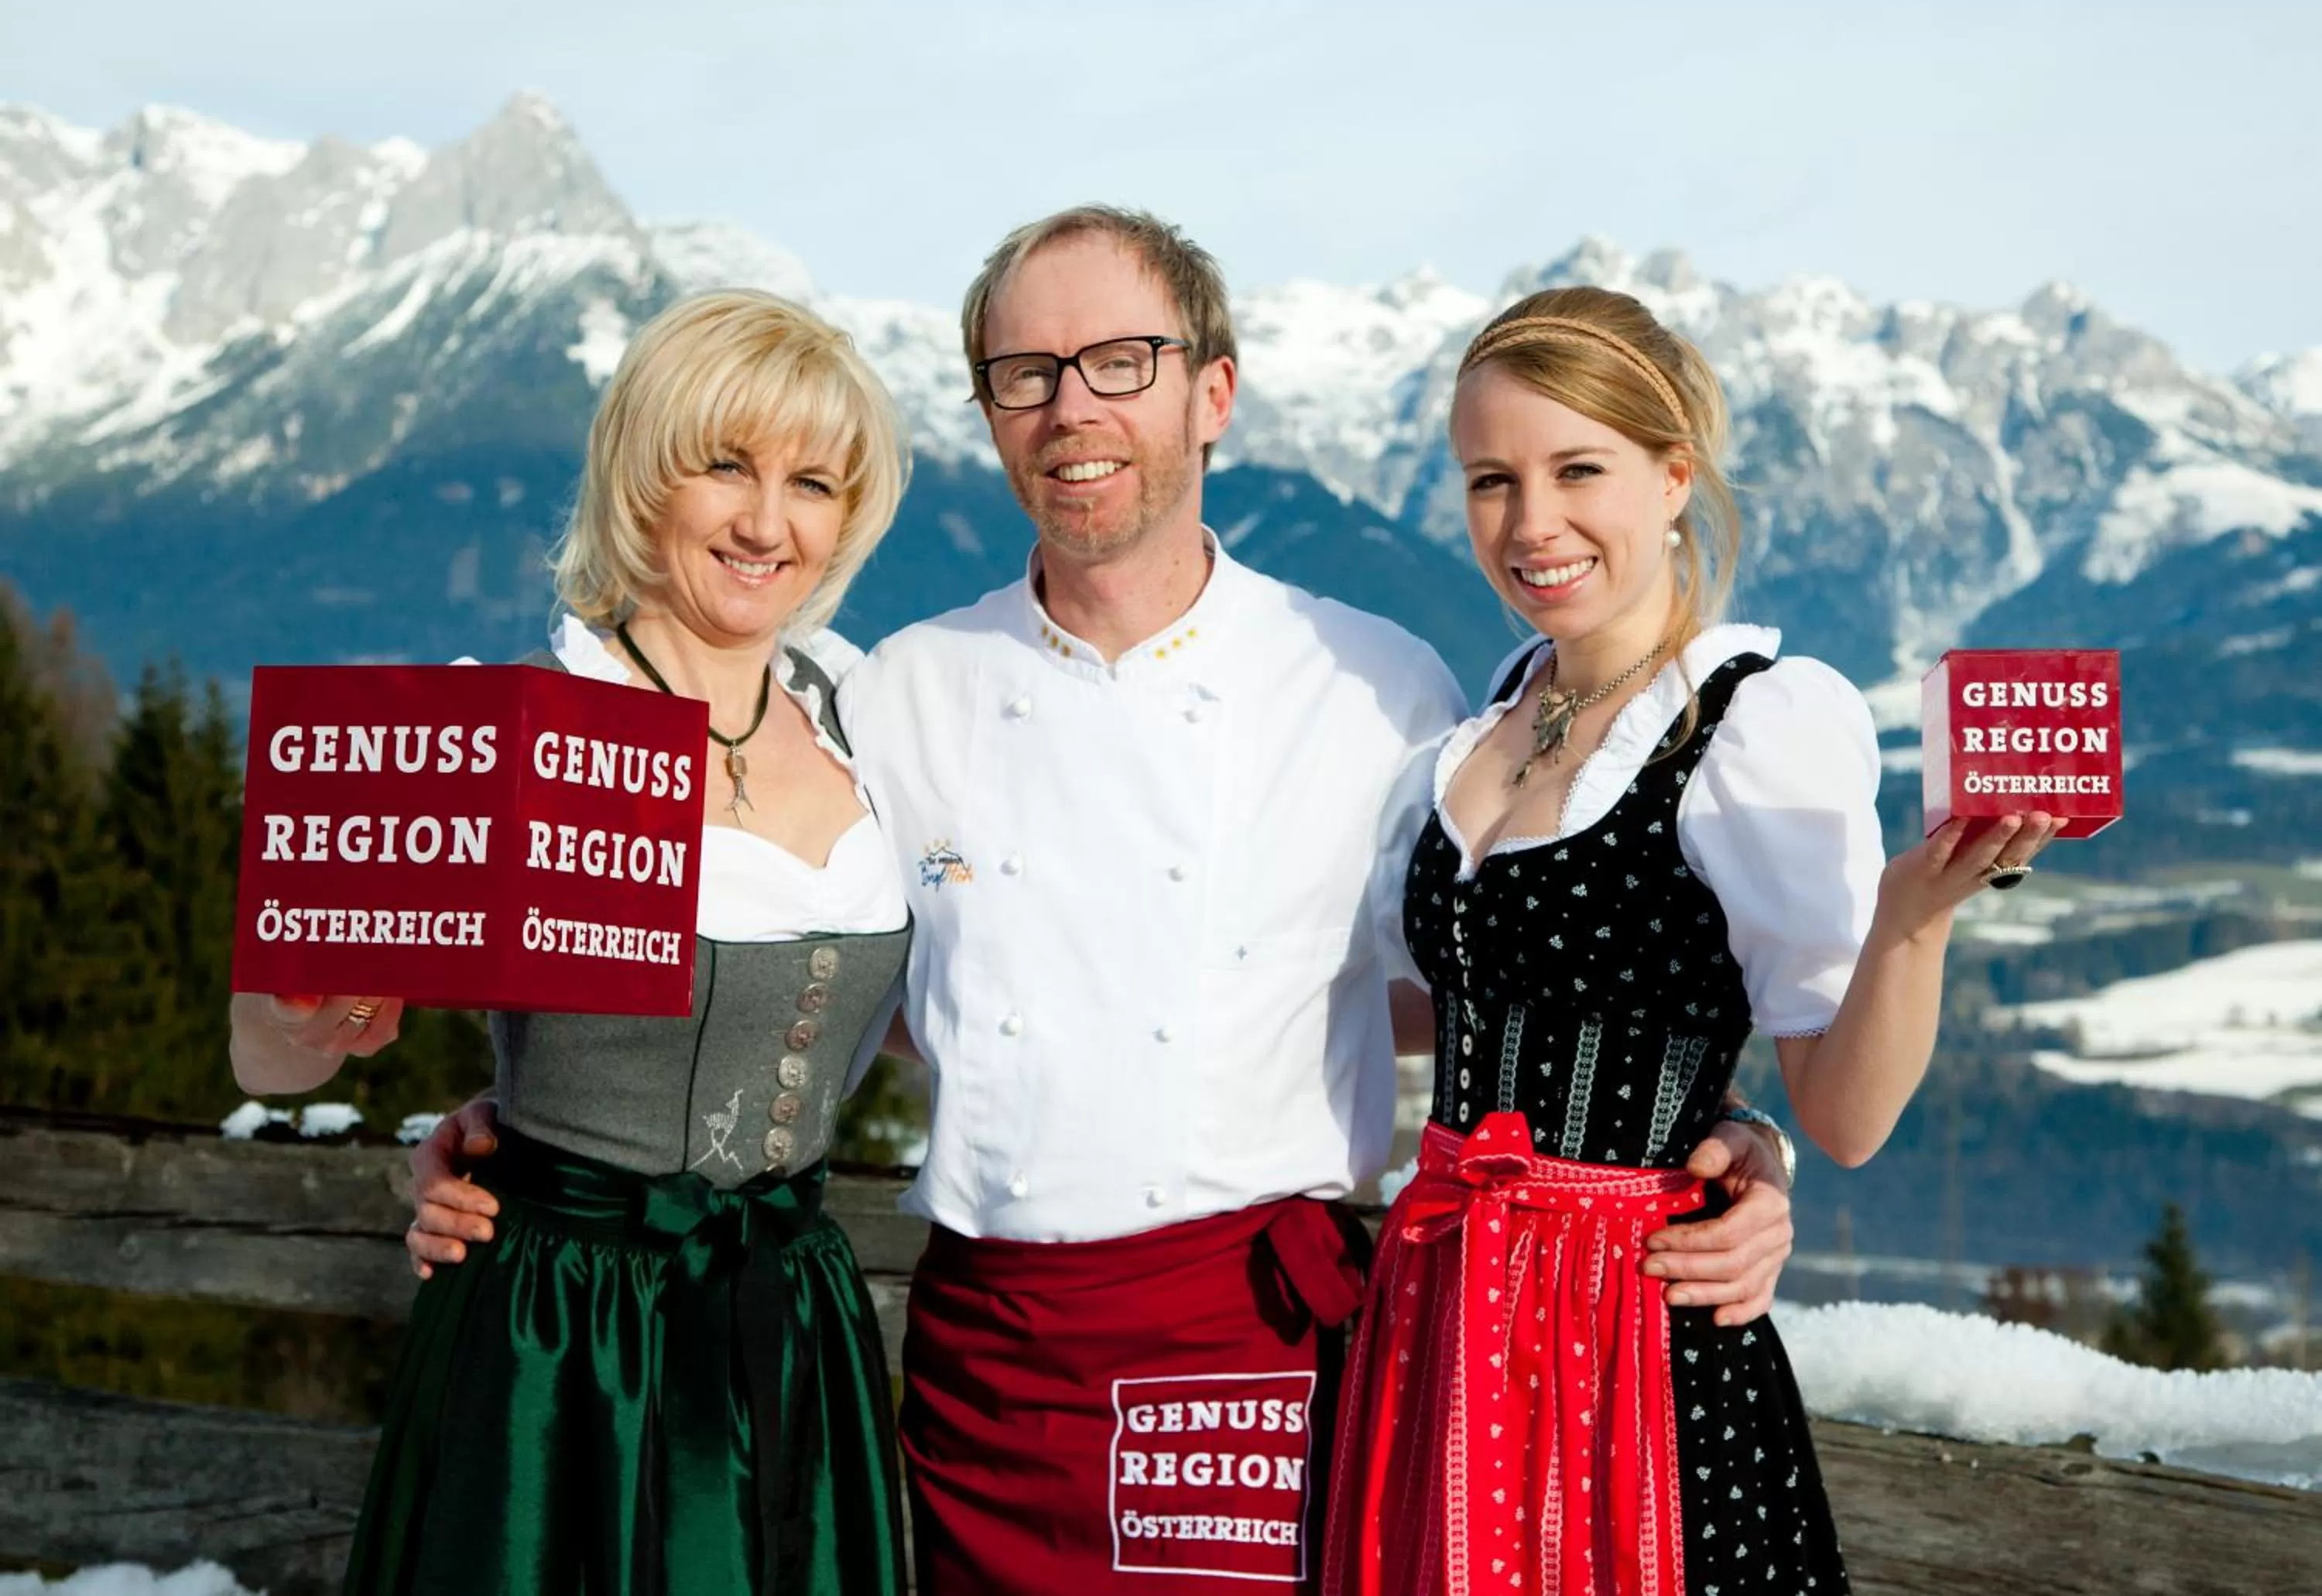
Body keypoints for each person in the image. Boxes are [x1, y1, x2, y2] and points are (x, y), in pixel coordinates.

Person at [406, 211, 1803, 1593]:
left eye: (1122, 362)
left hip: (1248, 1349)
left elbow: (1509, 987)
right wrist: (546, 1134)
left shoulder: (1378, 688)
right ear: (991, 415)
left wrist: (1731, 1141)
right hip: (985, 1370)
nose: (1072, 409)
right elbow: (821, 972)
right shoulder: (898, 693)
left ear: (1215, 393)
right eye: (1027, 373)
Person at [1319, 287, 2059, 1596]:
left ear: (1673, 477)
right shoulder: (1492, 713)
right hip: (1441, 1309)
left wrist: (1911, 920)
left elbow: (1845, 1115)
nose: (1531, 523)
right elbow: (1461, 1003)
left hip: (1630, 1334)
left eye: (1577, 470)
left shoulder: (1752, 725)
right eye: (1492, 480)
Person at [229, 289, 915, 1596]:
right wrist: (320, 1001)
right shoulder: (522, 728)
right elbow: (277, 1059)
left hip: (792, 1320)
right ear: (645, 472)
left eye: (813, 484)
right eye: (727, 465)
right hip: (563, 1334)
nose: (768, 523)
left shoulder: (863, 712)